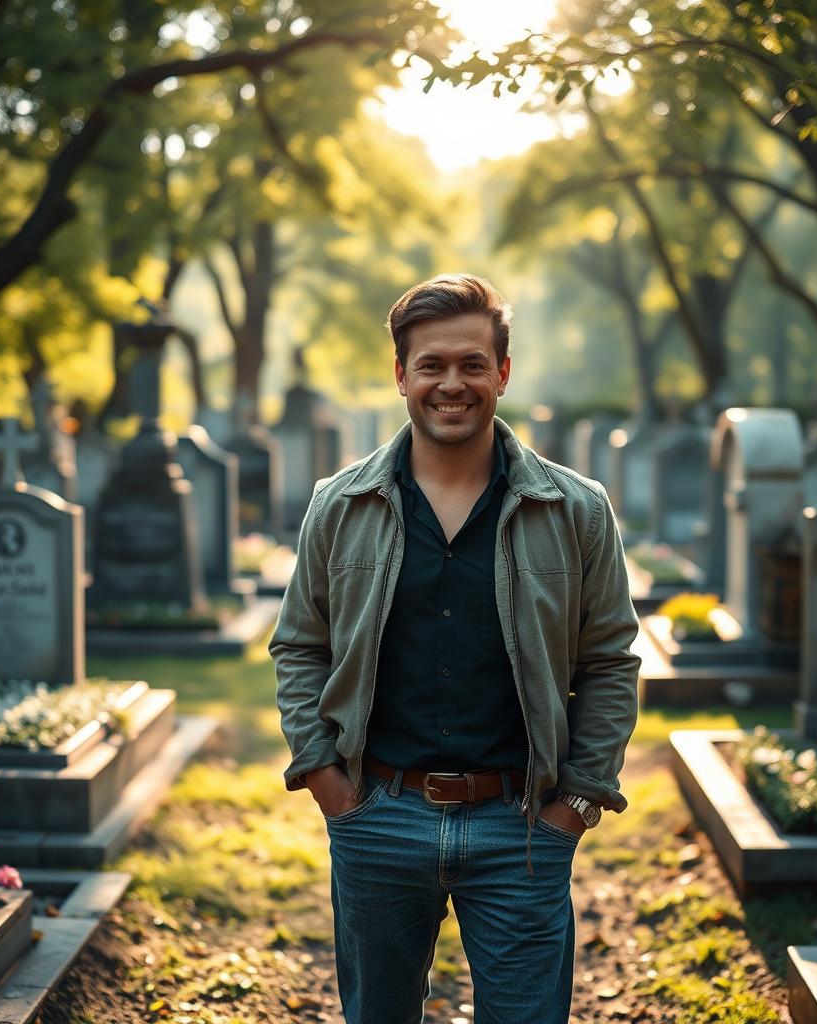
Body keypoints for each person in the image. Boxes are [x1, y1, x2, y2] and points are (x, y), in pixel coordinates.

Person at [270, 273, 641, 1024]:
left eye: (473, 364)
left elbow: (609, 662)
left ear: (502, 373)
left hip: (523, 828)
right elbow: (300, 646)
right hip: (378, 815)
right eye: (431, 364)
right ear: (401, 374)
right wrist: (328, 784)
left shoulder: (576, 508)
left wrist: (575, 803)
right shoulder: (337, 505)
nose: (452, 383)